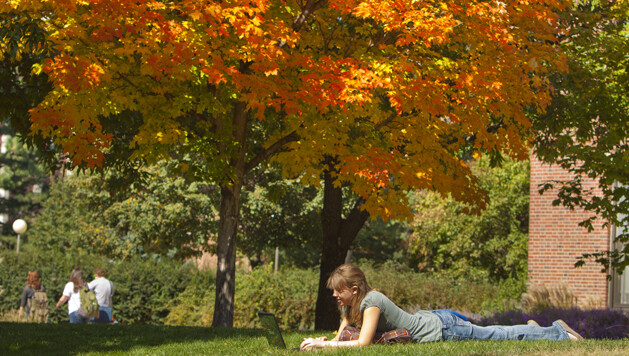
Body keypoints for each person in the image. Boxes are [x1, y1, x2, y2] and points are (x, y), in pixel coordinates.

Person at [300, 264, 583, 350]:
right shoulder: (350, 305)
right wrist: (320, 341)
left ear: (354, 289)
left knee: (494, 335)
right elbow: (341, 337)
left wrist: (325, 347)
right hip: (434, 319)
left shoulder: (372, 301)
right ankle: (533, 330)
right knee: (492, 332)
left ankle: (557, 331)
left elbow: (362, 344)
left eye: (338, 291)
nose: (335, 296)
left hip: (442, 329)